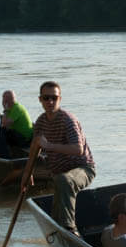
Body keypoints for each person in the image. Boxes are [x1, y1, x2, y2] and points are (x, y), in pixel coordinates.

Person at [30, 81, 94, 234]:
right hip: (59, 174)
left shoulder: (67, 120)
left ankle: (69, 229)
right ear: (40, 100)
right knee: (55, 214)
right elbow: (34, 149)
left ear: (60, 99)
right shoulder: (40, 122)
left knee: (65, 181)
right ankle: (57, 231)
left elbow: (78, 149)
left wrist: (49, 146)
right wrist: (27, 174)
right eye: (46, 98)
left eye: (54, 98)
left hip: (82, 169)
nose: (50, 102)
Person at [0, 90, 33, 155]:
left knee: (1, 132)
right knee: (1, 131)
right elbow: (6, 125)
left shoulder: (16, 108)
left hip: (25, 139)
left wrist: (5, 110)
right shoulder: (11, 108)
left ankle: (3, 155)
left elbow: (4, 124)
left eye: (4, 99)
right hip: (20, 136)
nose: (2, 101)